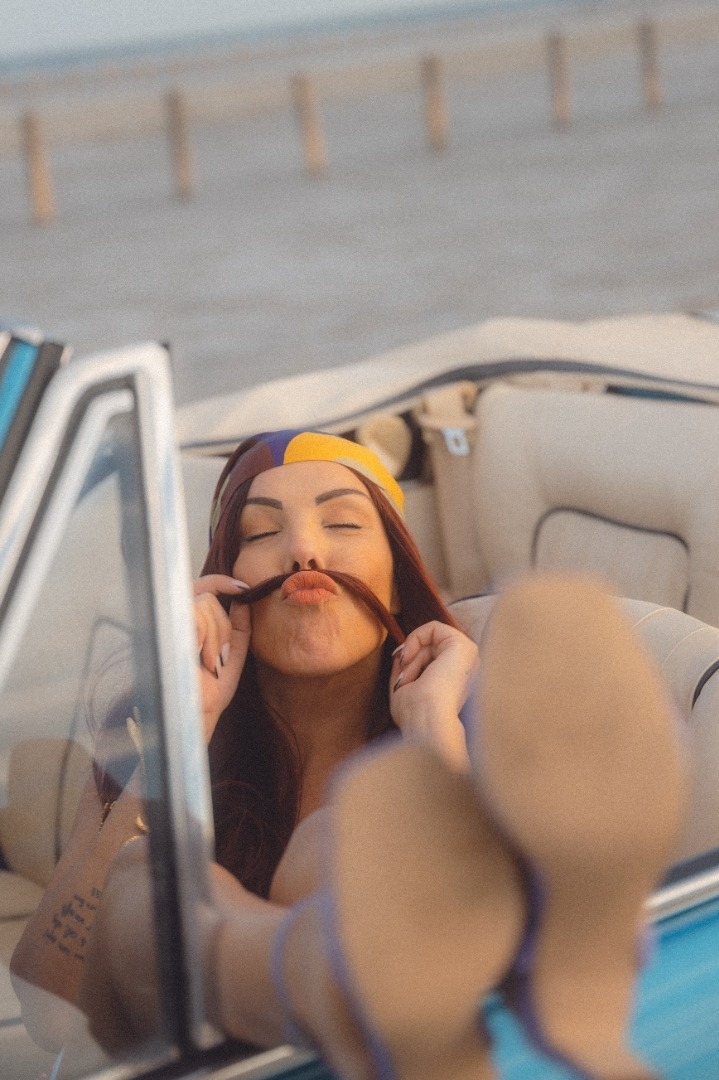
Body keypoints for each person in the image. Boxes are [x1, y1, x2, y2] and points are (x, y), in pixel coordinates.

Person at [11, 429, 688, 1080]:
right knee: (153, 879)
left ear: (396, 580)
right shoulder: (157, 732)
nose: (304, 550)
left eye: (341, 523)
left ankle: (317, 972)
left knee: (328, 847)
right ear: (225, 584)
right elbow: (55, 1017)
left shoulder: (478, 727)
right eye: (261, 533)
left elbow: (473, 965)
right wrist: (183, 733)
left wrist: (430, 729)